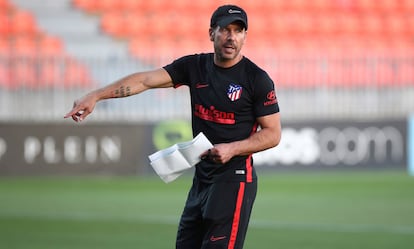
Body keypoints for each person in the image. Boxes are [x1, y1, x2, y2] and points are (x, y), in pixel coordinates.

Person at [65, 4, 281, 249]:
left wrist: (232, 149)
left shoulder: (256, 79)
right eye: (225, 30)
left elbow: (273, 134)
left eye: (238, 31)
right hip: (202, 179)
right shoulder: (195, 66)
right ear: (212, 33)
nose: (232, 37)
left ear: (245, 36)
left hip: (235, 181)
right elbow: (146, 80)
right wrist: (96, 95)